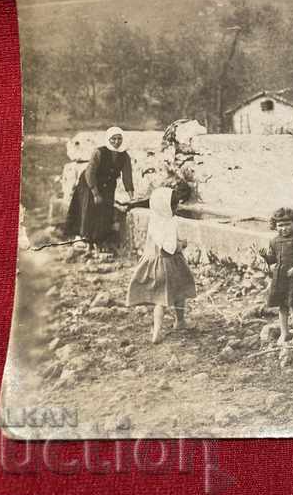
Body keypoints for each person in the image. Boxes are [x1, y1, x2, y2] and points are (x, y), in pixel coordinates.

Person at [126, 187, 197, 343]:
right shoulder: (170, 222)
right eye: (175, 206)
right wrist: (182, 244)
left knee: (159, 300)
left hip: (152, 264)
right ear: (169, 208)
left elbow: (153, 243)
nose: (176, 209)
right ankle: (180, 321)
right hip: (169, 264)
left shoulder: (154, 219)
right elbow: (170, 247)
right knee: (179, 291)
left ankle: (157, 331)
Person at [64, 126, 134, 251]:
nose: (117, 142)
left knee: (106, 211)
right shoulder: (99, 152)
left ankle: (99, 241)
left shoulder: (124, 156)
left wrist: (131, 195)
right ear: (108, 139)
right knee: (90, 210)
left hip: (108, 186)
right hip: (89, 183)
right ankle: (86, 240)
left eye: (119, 139)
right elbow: (89, 173)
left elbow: (127, 176)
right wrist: (95, 193)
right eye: (113, 139)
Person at [258, 207, 293, 357]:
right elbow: (273, 259)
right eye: (280, 225)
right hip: (281, 277)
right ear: (275, 226)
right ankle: (284, 333)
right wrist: (265, 257)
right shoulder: (274, 241)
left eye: (287, 224)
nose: (284, 228)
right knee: (282, 306)